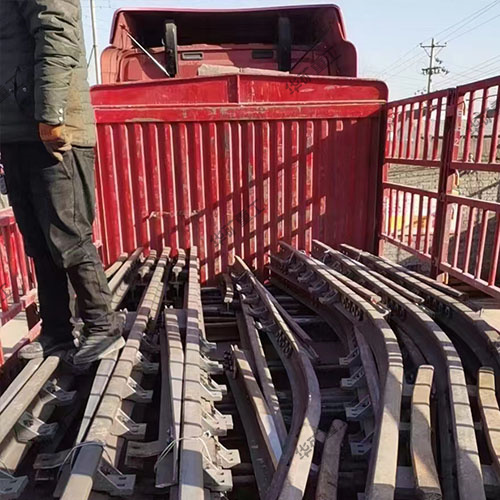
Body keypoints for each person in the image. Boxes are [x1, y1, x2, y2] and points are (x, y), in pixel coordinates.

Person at [0, 0, 124, 364]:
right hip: (16, 129)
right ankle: (56, 330)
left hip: (51, 129)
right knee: (39, 240)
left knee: (68, 234)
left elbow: (57, 31)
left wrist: (51, 115)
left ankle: (102, 326)